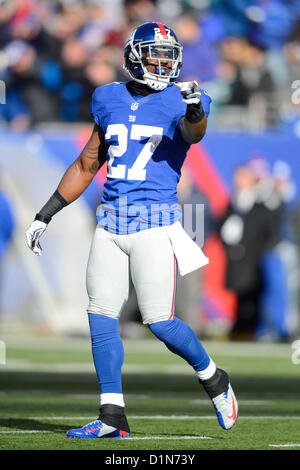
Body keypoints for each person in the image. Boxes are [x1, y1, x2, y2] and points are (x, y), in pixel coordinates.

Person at [26, 21, 238, 439]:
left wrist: (195, 112)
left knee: (160, 322)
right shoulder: (106, 97)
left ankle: (214, 378)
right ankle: (112, 416)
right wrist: (46, 213)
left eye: (167, 56)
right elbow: (89, 162)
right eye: (154, 55)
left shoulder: (184, 98)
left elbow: (193, 134)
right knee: (100, 315)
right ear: (132, 58)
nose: (163, 63)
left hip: (155, 224)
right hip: (110, 222)